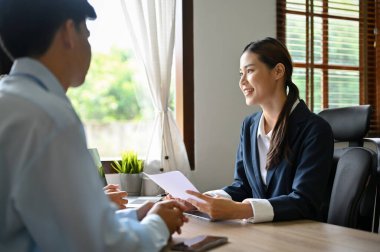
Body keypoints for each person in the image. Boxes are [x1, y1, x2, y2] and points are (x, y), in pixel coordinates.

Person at [0, 0, 187, 251]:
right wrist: (158, 224)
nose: (89, 47)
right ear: (68, 32)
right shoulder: (49, 118)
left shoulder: (12, 101)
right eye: (86, 35)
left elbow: (53, 226)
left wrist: (136, 216)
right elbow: (100, 245)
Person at [182, 37, 334, 223]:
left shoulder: (315, 130)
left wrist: (241, 210)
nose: (242, 81)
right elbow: (242, 186)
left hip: (299, 236)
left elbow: (304, 201)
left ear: (278, 71)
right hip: (262, 232)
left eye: (250, 71)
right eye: (240, 73)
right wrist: (200, 200)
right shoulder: (249, 126)